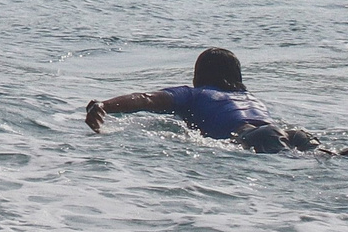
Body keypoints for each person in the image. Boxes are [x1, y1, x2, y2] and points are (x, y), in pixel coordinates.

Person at [85, 47, 324, 153]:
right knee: (322, 156)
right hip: (292, 132)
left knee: (291, 164)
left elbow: (145, 99)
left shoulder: (194, 94)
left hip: (253, 136)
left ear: (198, 76)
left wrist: (104, 105)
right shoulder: (249, 97)